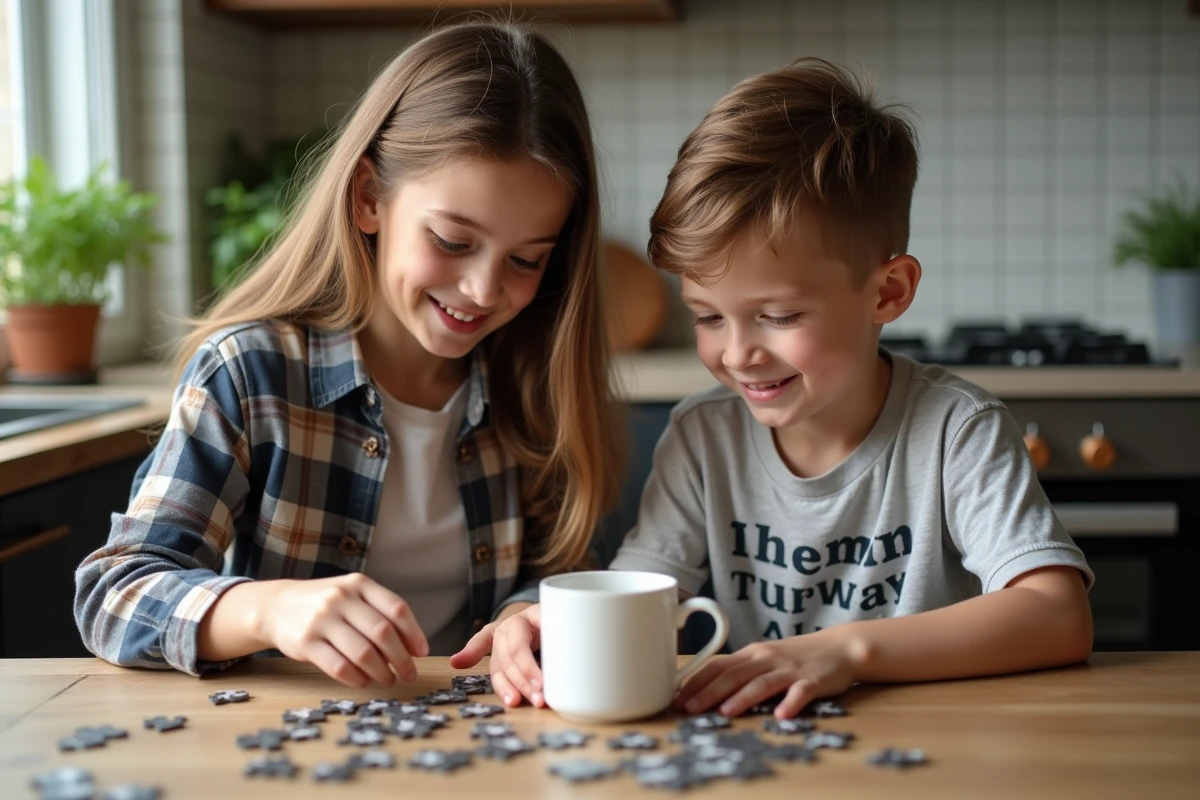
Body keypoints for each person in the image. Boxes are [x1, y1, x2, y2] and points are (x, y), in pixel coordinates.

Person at [453, 57, 1094, 718]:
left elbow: (1056, 614)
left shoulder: (957, 430)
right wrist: (534, 618)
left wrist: (844, 652)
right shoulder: (704, 436)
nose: (737, 354)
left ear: (888, 291)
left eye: (779, 316)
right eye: (707, 316)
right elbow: (643, 590)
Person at [74, 21, 623, 697]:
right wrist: (265, 610)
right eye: (453, 240)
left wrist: (527, 616)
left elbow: (555, 570)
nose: (483, 289)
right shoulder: (249, 373)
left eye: (526, 259)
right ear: (369, 199)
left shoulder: (537, 381)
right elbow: (113, 593)